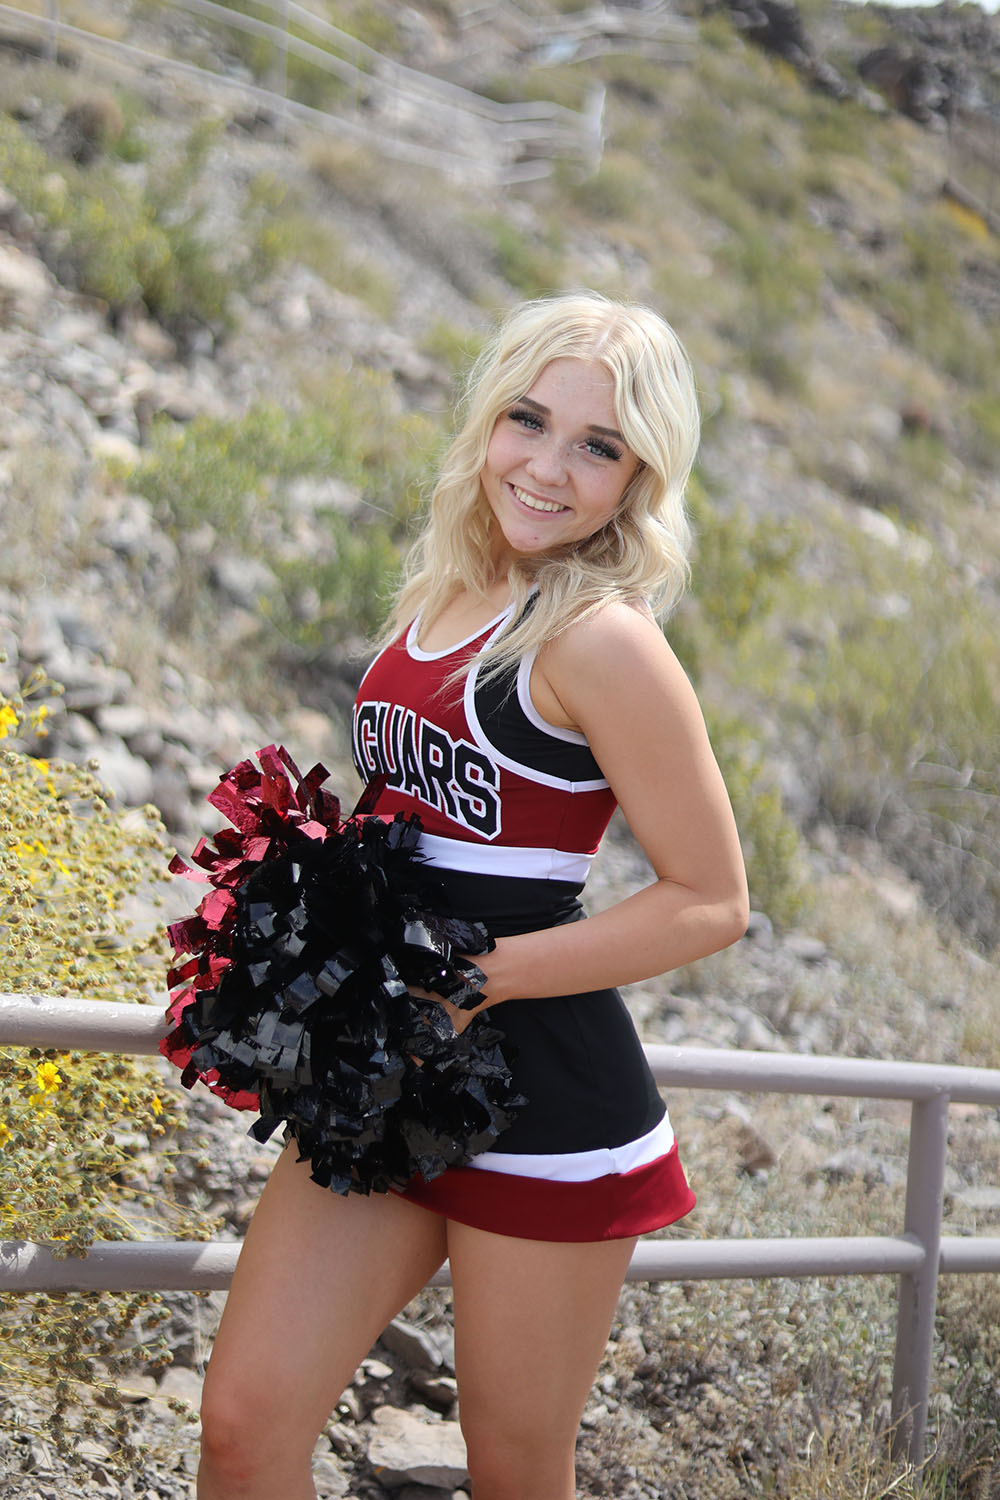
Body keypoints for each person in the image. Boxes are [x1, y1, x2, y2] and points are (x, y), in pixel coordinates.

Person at [196, 291, 749, 1500]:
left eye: (596, 446)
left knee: (510, 1471)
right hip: (389, 1068)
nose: (548, 467)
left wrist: (472, 982)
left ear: (637, 477)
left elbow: (711, 900)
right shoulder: (441, 590)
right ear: (485, 420)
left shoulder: (602, 639)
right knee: (243, 1426)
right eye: (527, 420)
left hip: (544, 1098)